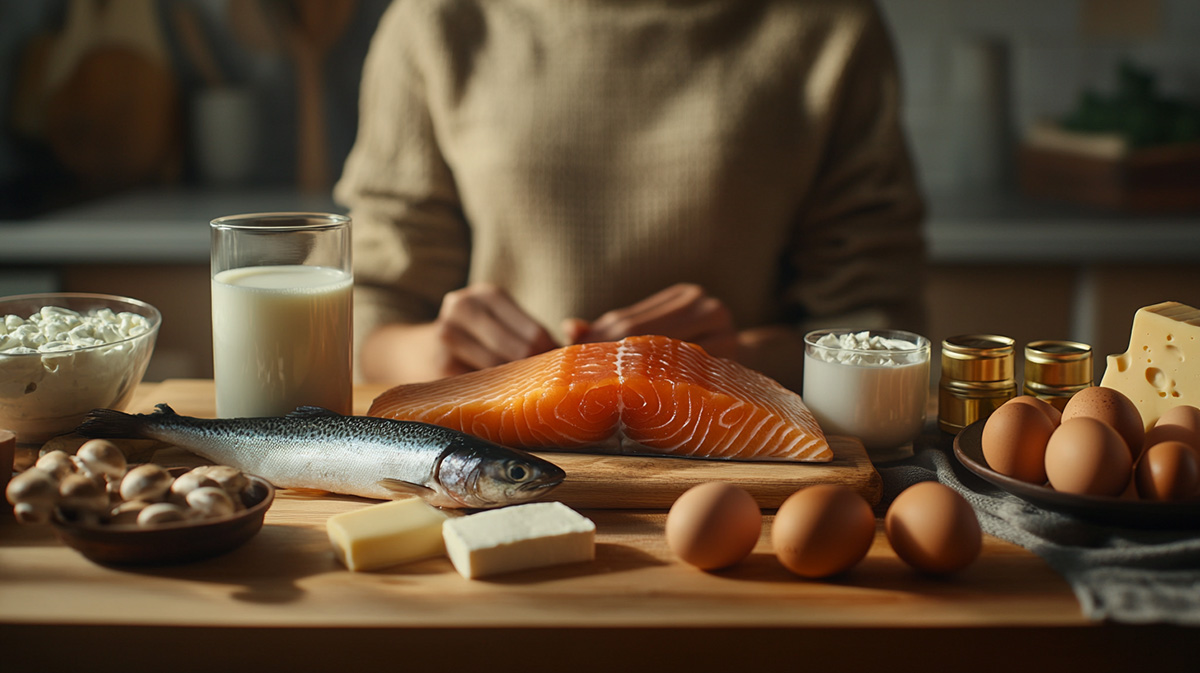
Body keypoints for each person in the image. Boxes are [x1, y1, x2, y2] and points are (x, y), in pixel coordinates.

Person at [334, 0, 926, 392]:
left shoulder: (830, 24)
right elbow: (372, 308)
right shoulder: (435, 20)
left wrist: (741, 363)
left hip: (748, 467)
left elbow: (879, 324)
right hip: (490, 457)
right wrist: (437, 353)